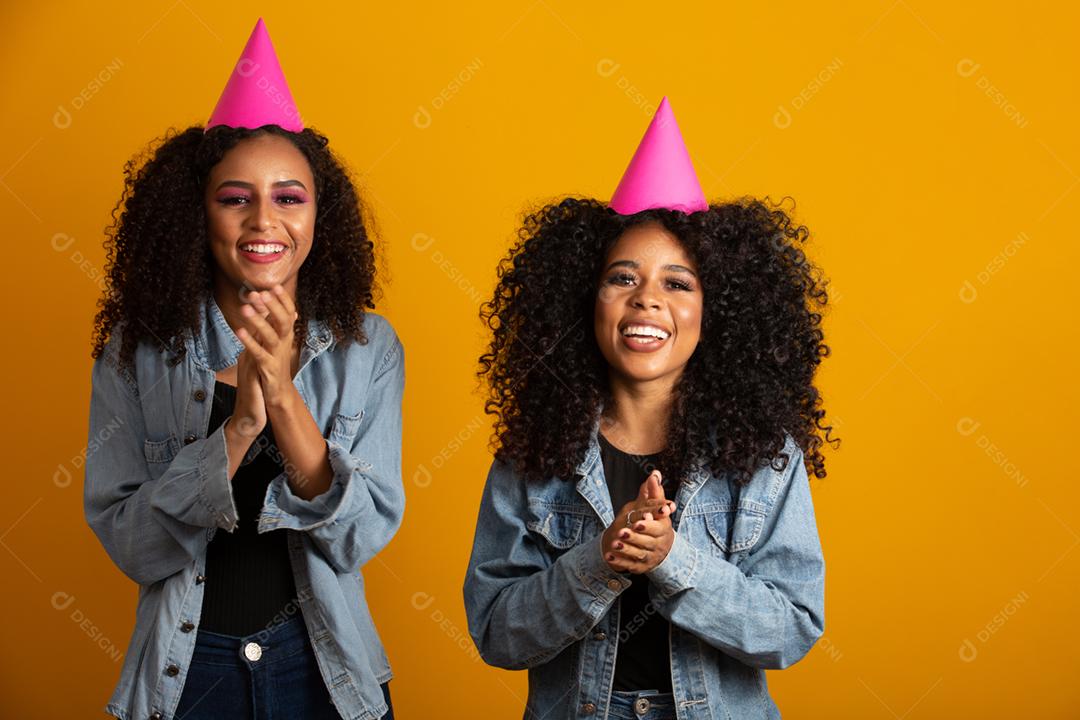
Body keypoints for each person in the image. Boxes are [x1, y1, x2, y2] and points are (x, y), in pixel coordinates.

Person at [464, 97, 837, 719]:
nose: (646, 301)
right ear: (586, 302)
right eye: (622, 278)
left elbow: (791, 628)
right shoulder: (534, 452)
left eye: (677, 283)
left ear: (715, 312)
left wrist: (673, 561)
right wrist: (597, 561)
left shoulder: (763, 457)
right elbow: (498, 633)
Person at [83, 18, 402, 720]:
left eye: (289, 196)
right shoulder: (135, 354)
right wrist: (238, 430)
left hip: (326, 673)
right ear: (200, 214)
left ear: (320, 214)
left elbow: (358, 537)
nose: (265, 220)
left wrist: (283, 400)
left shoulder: (368, 347)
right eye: (235, 198)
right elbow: (134, 546)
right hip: (185, 673)